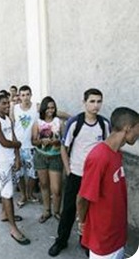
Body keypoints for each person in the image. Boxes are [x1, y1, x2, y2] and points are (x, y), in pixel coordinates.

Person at [48, 88, 110, 257]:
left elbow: (107, 149)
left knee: (90, 211)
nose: (96, 105)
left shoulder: (104, 124)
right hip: (75, 173)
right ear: (84, 102)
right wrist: (68, 169)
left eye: (99, 101)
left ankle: (86, 241)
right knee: (68, 209)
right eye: (92, 101)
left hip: (95, 176)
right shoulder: (75, 123)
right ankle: (61, 240)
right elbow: (63, 147)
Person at [77, 107, 139, 259]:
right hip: (103, 240)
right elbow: (82, 198)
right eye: (138, 129)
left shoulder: (117, 153)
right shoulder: (99, 157)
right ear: (127, 128)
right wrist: (83, 223)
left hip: (117, 234)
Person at [0, 94, 30, 245]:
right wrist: (18, 145)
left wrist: (17, 157)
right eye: (4, 104)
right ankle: (14, 229)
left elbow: (12, 138)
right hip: (1, 163)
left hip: (11, 160)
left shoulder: (8, 119)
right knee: (7, 194)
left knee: (9, 190)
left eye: (8, 103)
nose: (7, 106)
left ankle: (4, 215)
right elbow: (5, 142)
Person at [31, 96, 64, 223]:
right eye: (48, 107)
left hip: (55, 157)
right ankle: (46, 211)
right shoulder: (37, 123)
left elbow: (64, 141)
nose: (50, 110)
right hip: (41, 156)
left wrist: (57, 141)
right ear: (43, 109)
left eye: (52, 107)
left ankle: (56, 211)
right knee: (44, 185)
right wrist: (41, 141)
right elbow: (33, 141)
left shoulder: (59, 122)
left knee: (56, 188)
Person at [10, 85, 39, 207]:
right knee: (19, 173)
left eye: (27, 94)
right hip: (18, 148)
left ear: (31, 95)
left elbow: (55, 111)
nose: (25, 97)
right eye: (22, 95)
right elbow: (11, 127)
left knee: (33, 174)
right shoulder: (14, 108)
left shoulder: (36, 108)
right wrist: (13, 144)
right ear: (19, 96)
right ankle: (23, 195)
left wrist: (70, 117)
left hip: (31, 147)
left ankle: (29, 193)